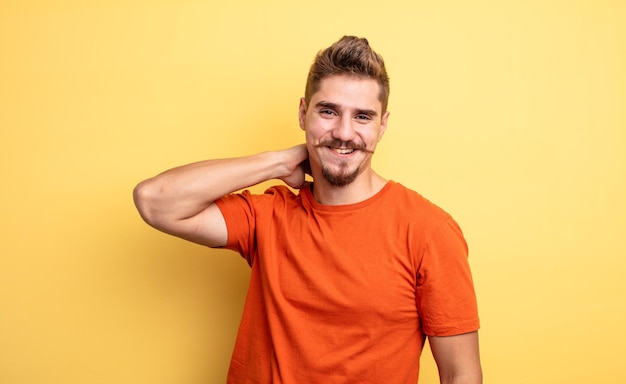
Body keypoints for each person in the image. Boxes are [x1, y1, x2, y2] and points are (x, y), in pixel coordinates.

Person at [133, 36, 482, 384]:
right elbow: (155, 200)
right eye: (328, 111)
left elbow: (461, 374)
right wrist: (278, 161)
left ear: (382, 126)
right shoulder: (268, 215)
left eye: (362, 116)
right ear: (303, 113)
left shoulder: (428, 231)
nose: (344, 133)